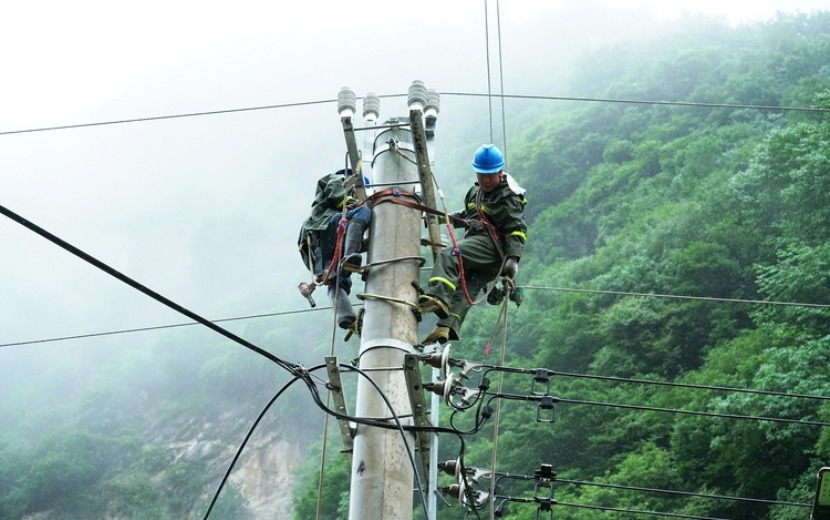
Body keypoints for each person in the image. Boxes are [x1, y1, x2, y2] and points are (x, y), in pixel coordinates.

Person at [418, 144, 527, 344]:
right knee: (467, 285)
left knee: (450, 255)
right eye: (481, 175)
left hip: (494, 248)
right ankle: (447, 326)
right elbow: (468, 217)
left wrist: (513, 259)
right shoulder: (474, 193)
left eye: (489, 175)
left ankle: (438, 296)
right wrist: (443, 219)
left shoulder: (508, 195)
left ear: (500, 173)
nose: (485, 179)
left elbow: (517, 228)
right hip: (479, 246)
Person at [298, 168, 371, 330]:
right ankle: (348, 258)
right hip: (322, 230)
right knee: (363, 212)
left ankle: (345, 315)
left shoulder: (342, 213)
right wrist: (351, 202)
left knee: (336, 279)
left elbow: (352, 238)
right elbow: (335, 190)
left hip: (317, 247)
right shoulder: (337, 179)